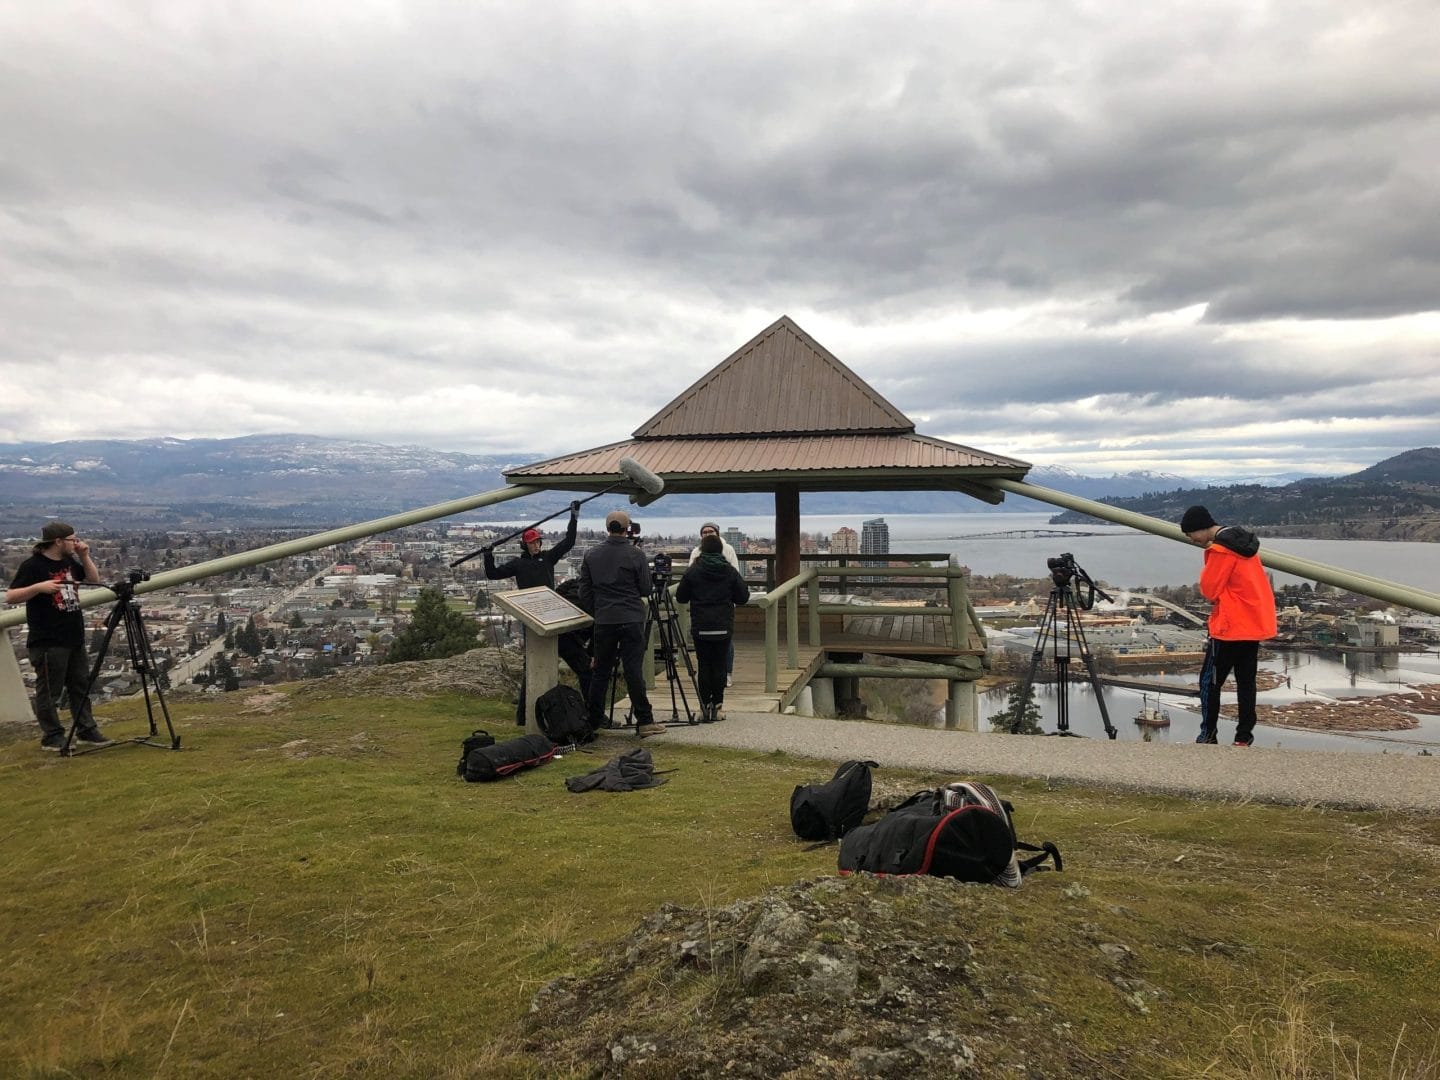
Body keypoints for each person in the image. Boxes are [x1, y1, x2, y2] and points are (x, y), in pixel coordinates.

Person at [5, 521, 112, 750]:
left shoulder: (69, 561)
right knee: (50, 690)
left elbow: (93, 580)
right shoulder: (33, 566)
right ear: (58, 541)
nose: (77, 542)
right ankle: (52, 735)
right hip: (48, 639)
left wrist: (85, 556)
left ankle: (86, 730)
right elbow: (11, 596)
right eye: (73, 539)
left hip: (73, 635)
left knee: (80, 685)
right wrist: (38, 588)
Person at [1180, 505, 1278, 747]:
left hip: (1229, 628)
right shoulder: (1246, 545)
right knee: (1246, 684)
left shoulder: (1221, 551)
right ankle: (1243, 737)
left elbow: (1209, 588)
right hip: (1252, 625)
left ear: (1200, 528)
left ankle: (1208, 734)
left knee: (1209, 682)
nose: (1191, 540)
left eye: (1190, 534)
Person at [484, 503, 585, 724]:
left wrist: (573, 517)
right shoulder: (518, 564)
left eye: (538, 542)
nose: (536, 545)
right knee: (531, 667)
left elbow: (568, 542)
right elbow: (492, 574)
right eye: (532, 543)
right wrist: (488, 555)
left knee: (579, 662)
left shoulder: (548, 558)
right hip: (532, 618)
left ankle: (585, 712)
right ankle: (523, 715)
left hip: (553, 615)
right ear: (525, 545)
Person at [579, 509, 659, 737]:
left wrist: (598, 610)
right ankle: (644, 720)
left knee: (601, 671)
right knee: (633, 670)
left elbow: (585, 591)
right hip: (631, 617)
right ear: (627, 529)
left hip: (604, 619)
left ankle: (594, 720)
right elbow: (645, 588)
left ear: (607, 528)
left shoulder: (591, 554)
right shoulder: (635, 555)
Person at [676, 534, 749, 722]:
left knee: (704, 665)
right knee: (719, 665)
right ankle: (718, 705)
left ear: (702, 550)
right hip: (723, 625)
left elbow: (681, 597)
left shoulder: (693, 571)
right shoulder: (729, 571)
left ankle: (704, 706)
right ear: (720, 550)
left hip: (701, 626)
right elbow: (743, 597)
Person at [688, 522, 740, 687]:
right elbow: (690, 575)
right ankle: (711, 679)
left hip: (722, 603)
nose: (708, 534)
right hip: (704, 605)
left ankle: (727, 672)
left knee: (726, 642)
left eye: (711, 531)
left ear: (717, 533)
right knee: (707, 644)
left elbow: (736, 573)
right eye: (704, 532)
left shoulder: (728, 550)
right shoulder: (696, 552)